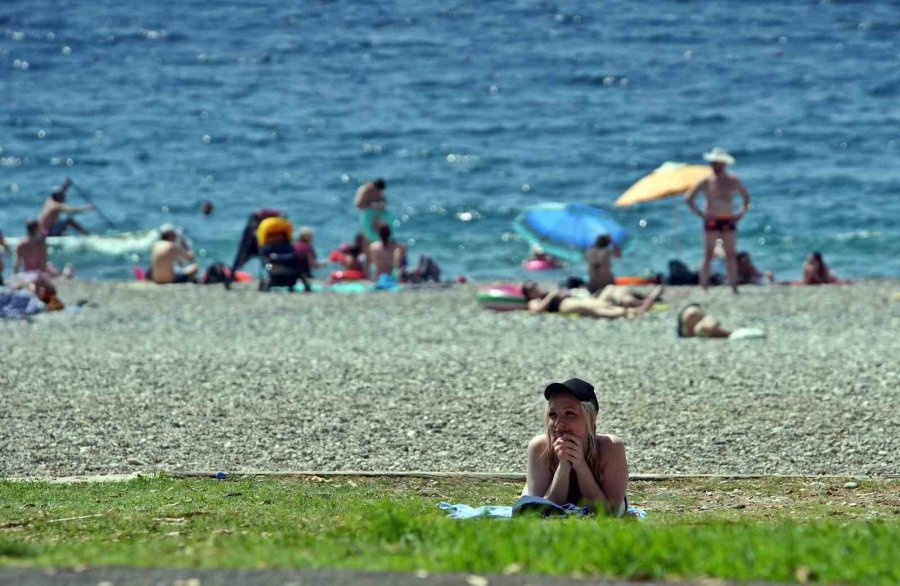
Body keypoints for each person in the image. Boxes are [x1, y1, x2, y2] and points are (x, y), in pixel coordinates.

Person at [523, 379, 629, 515]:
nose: (558, 424)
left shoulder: (610, 447)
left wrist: (580, 465)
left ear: (591, 418)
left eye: (570, 414)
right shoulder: (539, 447)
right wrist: (563, 467)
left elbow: (608, 514)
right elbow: (542, 512)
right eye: (553, 414)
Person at [685, 147, 751, 293]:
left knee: (730, 254)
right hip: (712, 219)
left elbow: (746, 197)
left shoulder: (732, 180)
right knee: (708, 254)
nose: (714, 166)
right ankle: (704, 287)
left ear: (723, 164)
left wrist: (740, 213)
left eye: (717, 163)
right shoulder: (706, 181)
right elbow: (689, 198)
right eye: (712, 163)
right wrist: (700, 214)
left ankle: (734, 287)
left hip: (728, 219)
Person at [522, 281, 663, 319]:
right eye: (533, 289)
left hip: (572, 299)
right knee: (591, 308)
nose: (537, 290)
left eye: (536, 287)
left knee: (596, 303)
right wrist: (551, 296)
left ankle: (629, 309)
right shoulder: (533, 301)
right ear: (529, 293)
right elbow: (537, 310)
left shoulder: (544, 294)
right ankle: (625, 312)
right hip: (563, 306)